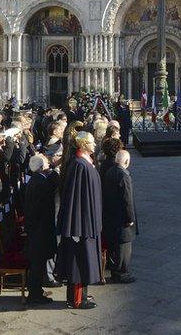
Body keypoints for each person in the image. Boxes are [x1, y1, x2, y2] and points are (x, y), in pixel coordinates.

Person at [56, 132, 103, 310]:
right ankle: (76, 299)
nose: (94, 145)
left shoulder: (85, 162)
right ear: (83, 145)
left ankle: (83, 294)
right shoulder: (79, 165)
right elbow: (74, 199)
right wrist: (76, 227)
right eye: (91, 143)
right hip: (81, 225)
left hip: (89, 221)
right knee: (79, 262)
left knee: (86, 260)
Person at [24, 153, 58, 305]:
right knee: (37, 264)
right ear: (41, 167)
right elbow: (38, 210)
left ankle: (36, 291)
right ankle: (35, 294)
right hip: (40, 231)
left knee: (38, 263)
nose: (48, 165)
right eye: (46, 163)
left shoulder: (38, 180)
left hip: (38, 230)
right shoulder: (39, 183)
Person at [102, 150, 137, 284]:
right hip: (122, 218)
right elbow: (127, 199)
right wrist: (130, 218)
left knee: (116, 246)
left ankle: (117, 271)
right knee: (124, 247)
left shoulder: (110, 171)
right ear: (127, 161)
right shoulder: (124, 175)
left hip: (111, 215)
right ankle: (121, 272)